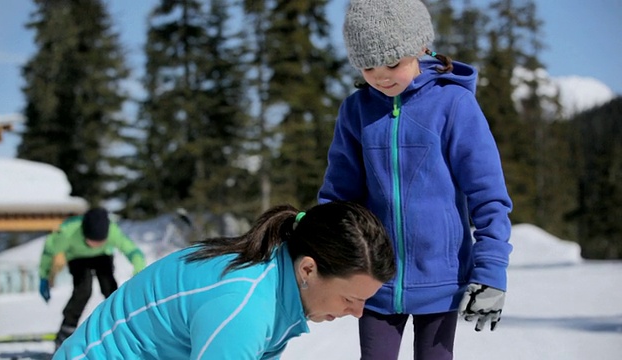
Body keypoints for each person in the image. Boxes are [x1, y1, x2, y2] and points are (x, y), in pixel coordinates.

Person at [317, 0, 514, 359]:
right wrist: (320, 251)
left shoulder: (453, 105)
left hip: (443, 280)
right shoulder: (356, 110)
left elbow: (489, 198)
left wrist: (491, 271)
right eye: (367, 66)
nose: (380, 76)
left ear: (420, 48)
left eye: (392, 62)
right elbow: (338, 197)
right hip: (374, 280)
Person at [53, 201, 396, 359]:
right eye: (350, 299)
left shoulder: (278, 286)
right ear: (308, 269)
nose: (359, 312)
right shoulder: (245, 304)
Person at [38, 207, 146, 349]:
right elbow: (49, 253)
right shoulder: (68, 232)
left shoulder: (112, 231)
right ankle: (66, 330)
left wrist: (139, 272)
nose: (95, 246)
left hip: (103, 257)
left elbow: (132, 251)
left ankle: (121, 326)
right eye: (91, 242)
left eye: (100, 242)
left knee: (111, 290)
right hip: (77, 258)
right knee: (82, 291)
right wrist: (44, 277)